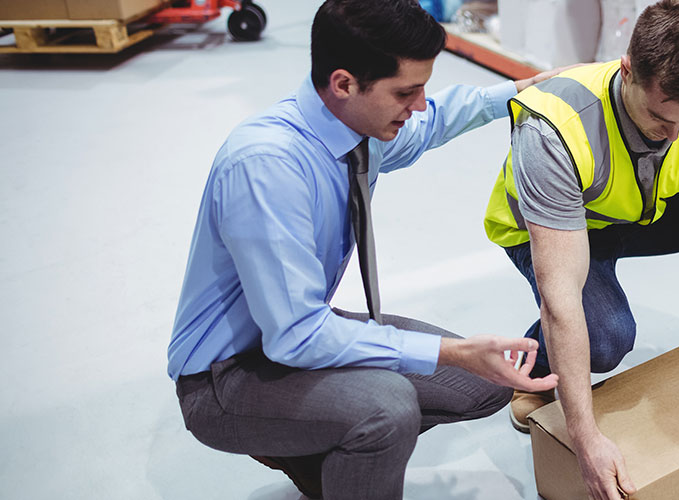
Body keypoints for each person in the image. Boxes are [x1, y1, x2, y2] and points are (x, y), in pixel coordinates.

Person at [166, 1, 563, 498]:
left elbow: (432, 123)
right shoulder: (267, 167)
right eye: (405, 92)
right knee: (386, 407)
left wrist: (520, 91)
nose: (419, 105)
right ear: (344, 83)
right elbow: (297, 336)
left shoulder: (356, 128)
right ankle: (323, 441)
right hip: (226, 376)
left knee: (484, 384)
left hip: (291, 331)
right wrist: (454, 352)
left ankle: (318, 449)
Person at [482, 1, 679, 498]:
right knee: (606, 338)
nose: (673, 136)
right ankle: (539, 368)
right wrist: (585, 438)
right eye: (659, 117)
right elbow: (560, 292)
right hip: (551, 228)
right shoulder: (555, 128)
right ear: (627, 70)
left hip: (639, 208)